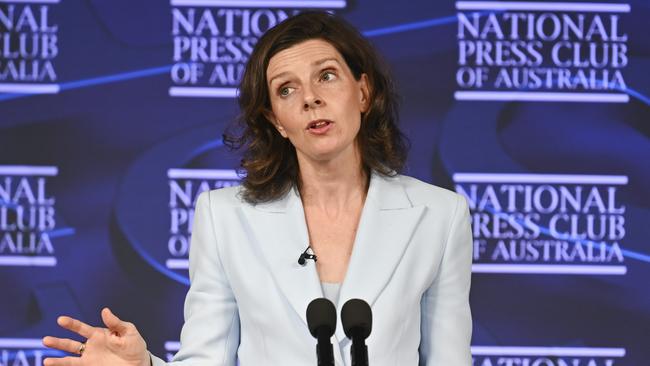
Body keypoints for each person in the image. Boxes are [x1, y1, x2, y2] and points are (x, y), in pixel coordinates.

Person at [42, 11, 473, 366]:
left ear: (363, 92)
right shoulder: (225, 216)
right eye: (287, 89)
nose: (310, 98)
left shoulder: (440, 216)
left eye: (326, 76)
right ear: (276, 121)